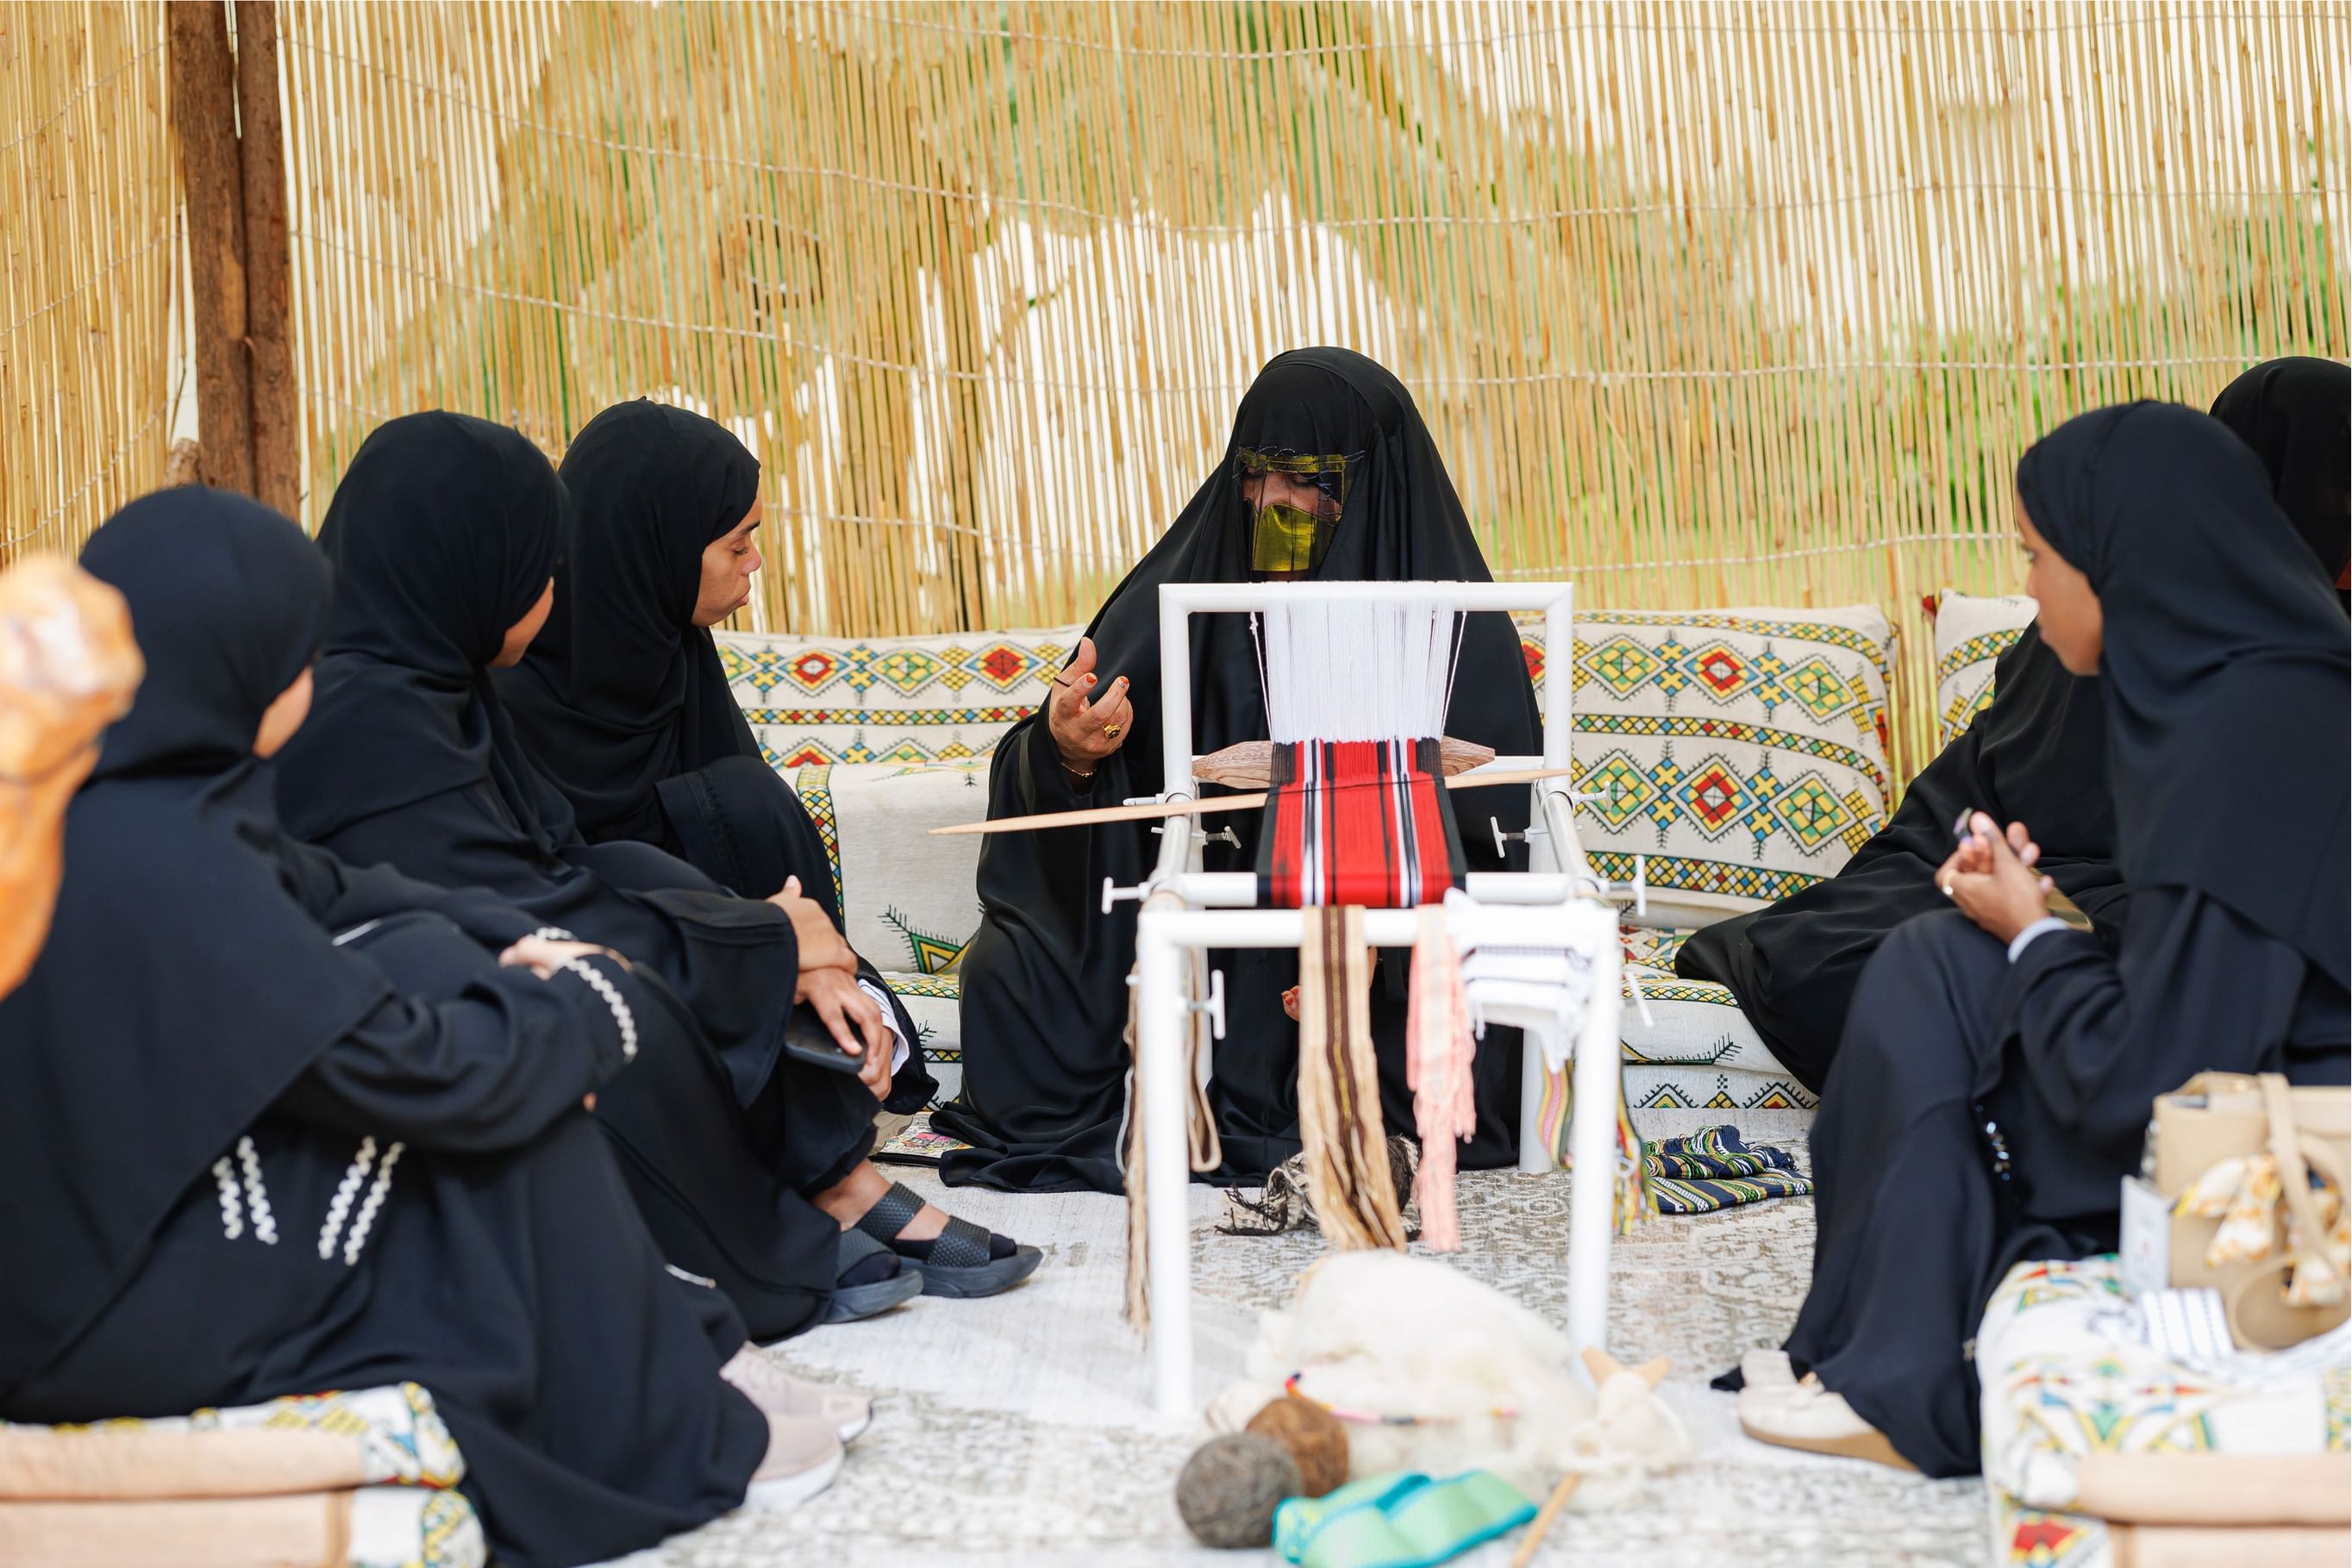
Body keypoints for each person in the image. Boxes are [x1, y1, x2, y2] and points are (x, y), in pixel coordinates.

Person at [0, 489, 853, 1567]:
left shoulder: (118, 800)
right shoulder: (163, 864)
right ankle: (650, 1408)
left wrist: (520, 947)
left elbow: (348, 889)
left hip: (99, 1246)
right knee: (492, 1134)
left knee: (433, 967)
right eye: (303, 653)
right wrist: (584, 1007)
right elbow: (436, 1075)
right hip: (91, 1318)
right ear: (251, 667)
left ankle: (663, 1351)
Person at [273, 413, 1037, 1301]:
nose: (557, 588)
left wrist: (773, 936)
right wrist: (765, 940)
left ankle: (837, 1177)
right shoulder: (362, 717)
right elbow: (507, 899)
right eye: (536, 566)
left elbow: (556, 860)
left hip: (487, 947)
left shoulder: (442, 689)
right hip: (397, 1009)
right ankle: (776, 1217)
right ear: (463, 563)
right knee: (623, 978)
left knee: (659, 880)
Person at [1737, 403, 2349, 1477]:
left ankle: (1897, 1383)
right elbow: (2198, 985)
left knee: (1932, 974)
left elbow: (2153, 1083)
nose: (2026, 589)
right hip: (2231, 1087)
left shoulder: (2250, 738)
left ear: (2116, 561)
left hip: (2280, 1157)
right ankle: (1879, 1359)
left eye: (2035, 555)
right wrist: (2045, 919)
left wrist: (2030, 935)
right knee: (1938, 957)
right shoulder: (2249, 695)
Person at [930, 347, 1544, 1192]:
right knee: (1008, 971)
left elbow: (1500, 833)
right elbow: (1066, 771)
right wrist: (1069, 750)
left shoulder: (1454, 626)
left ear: (1374, 480)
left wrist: (1362, 916)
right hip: (1208, 925)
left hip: (1388, 939)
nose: (1269, 503)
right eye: (1254, 474)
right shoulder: (1193, 590)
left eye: (1307, 480)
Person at [1678, 353, 2351, 1090]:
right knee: (1882, 959)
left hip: (2177, 921)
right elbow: (1989, 785)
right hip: (2026, 873)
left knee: (2001, 978)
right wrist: (2005, 874)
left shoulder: (2297, 675)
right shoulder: (2126, 602)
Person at [494, 398, 929, 1096]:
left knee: (748, 799)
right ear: (654, 548)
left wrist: (839, 986)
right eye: (738, 543)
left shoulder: (676, 661)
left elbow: (762, 857)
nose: (756, 563)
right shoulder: (505, 702)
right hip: (584, 1012)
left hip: (738, 979)